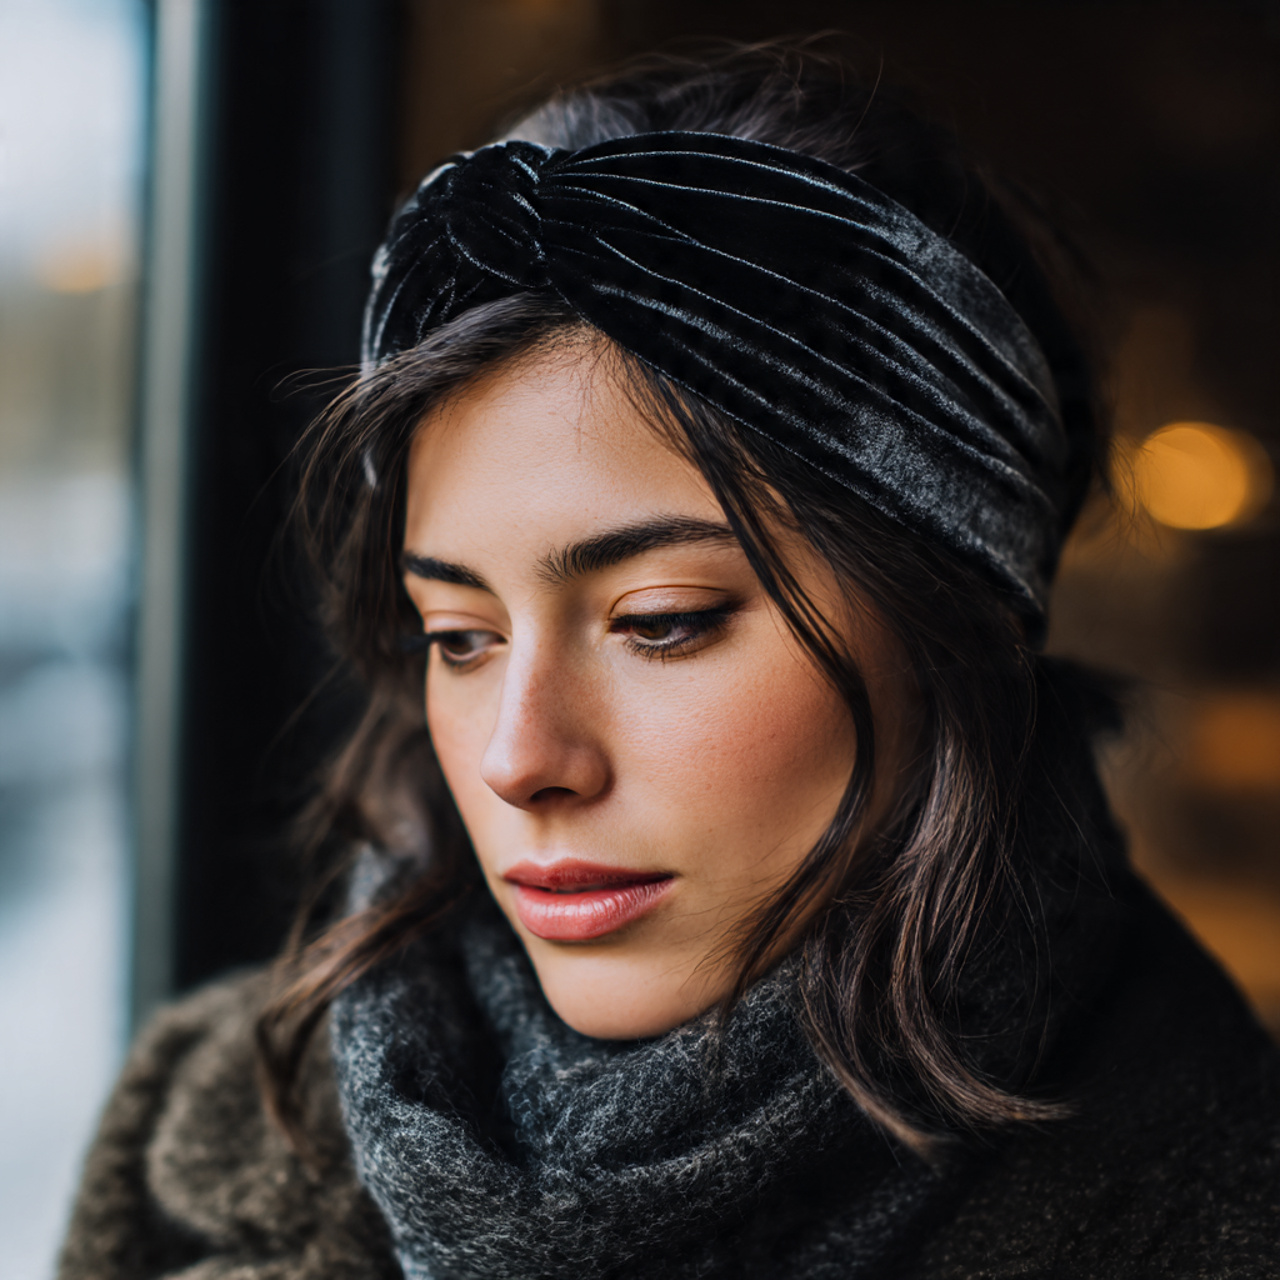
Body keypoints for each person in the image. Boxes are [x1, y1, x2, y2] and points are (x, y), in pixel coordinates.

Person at [59, 44, 1280, 1280]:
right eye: (459, 638)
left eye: (660, 620)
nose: (517, 757)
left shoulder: (1212, 1212)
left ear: (958, 627)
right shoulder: (201, 1117)